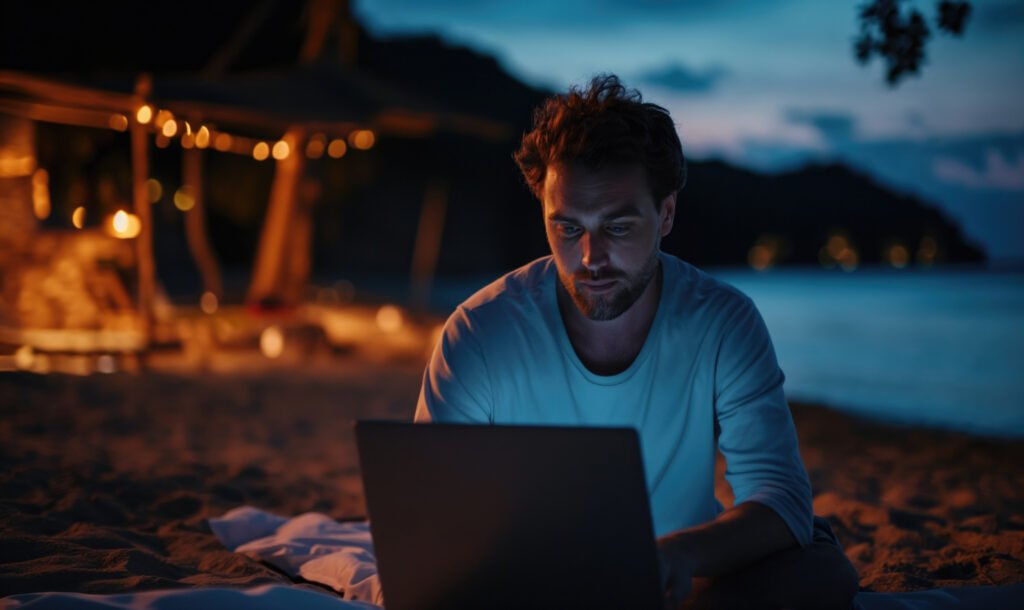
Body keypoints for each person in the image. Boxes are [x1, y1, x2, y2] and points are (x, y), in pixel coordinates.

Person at [414, 75, 859, 609]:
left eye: (618, 228)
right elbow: (430, 511)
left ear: (665, 214)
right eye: (568, 228)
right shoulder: (481, 332)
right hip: (531, 588)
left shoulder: (723, 322)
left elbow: (781, 498)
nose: (590, 258)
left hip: (678, 584)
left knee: (819, 565)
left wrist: (678, 556)